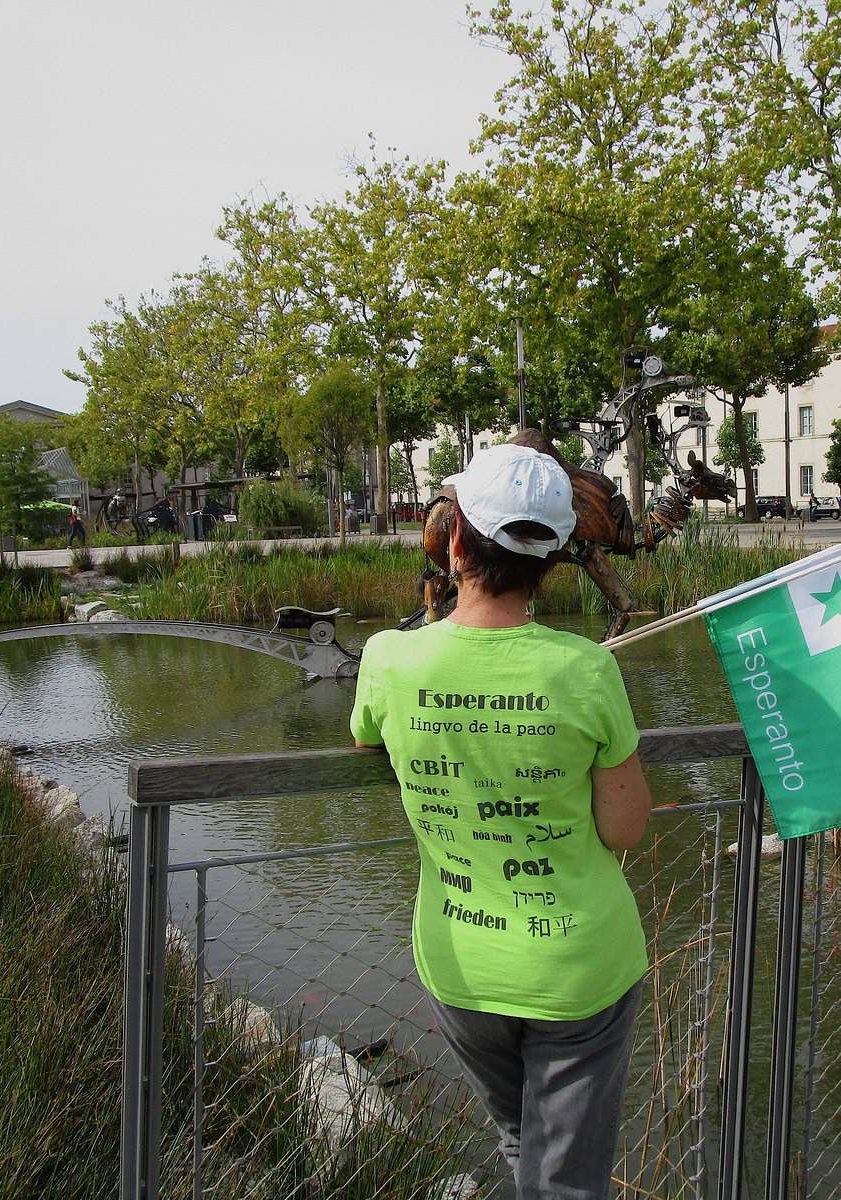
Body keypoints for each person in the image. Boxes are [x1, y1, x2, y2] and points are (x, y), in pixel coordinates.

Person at [350, 442, 652, 1200]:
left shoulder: (389, 659)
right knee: (569, 1180)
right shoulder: (587, 669)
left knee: (520, 1138)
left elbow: (365, 736)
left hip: (460, 963)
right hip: (578, 970)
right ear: (552, 560)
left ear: (455, 541)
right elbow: (624, 830)